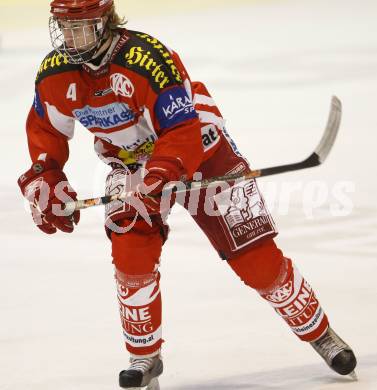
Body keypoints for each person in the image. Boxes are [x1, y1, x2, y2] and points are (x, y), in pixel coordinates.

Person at [17, 0, 357, 388]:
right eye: (63, 26)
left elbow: (181, 128)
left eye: (79, 26)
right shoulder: (54, 73)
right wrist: (46, 178)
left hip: (202, 149)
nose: (69, 37)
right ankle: (144, 356)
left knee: (255, 257)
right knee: (131, 249)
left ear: (105, 22)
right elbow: (46, 131)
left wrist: (160, 174)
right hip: (129, 163)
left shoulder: (148, 59)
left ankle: (322, 335)